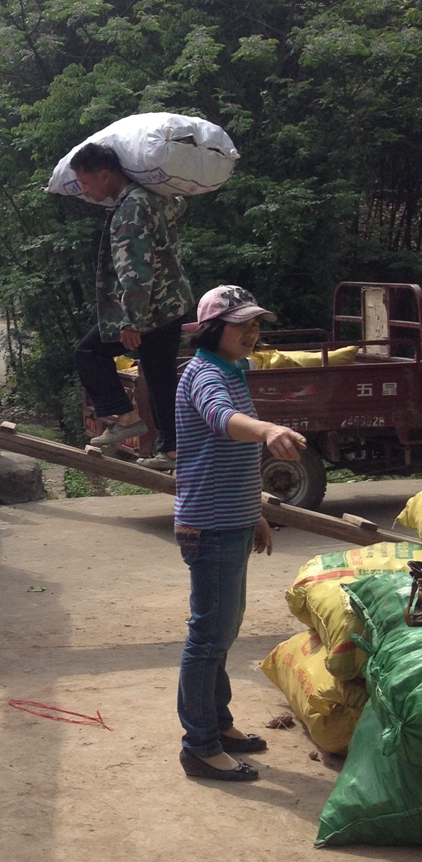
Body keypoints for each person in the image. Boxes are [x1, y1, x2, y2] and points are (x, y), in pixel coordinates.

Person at [173, 285, 308, 781]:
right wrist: (268, 430)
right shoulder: (204, 373)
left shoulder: (232, 370)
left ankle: (219, 725)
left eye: (255, 324)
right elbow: (222, 421)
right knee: (208, 636)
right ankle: (200, 746)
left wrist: (254, 511)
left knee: (221, 632)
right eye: (241, 324)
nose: (251, 332)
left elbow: (228, 458)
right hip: (209, 526)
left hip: (230, 519)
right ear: (213, 330)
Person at [70, 143, 193, 469]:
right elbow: (178, 205)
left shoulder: (129, 211)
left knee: (88, 352)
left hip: (149, 312)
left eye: (85, 183)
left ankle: (125, 417)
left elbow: (135, 272)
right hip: (172, 304)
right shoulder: (154, 198)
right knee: (159, 377)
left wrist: (130, 322)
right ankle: (172, 451)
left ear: (105, 174)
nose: (85, 191)